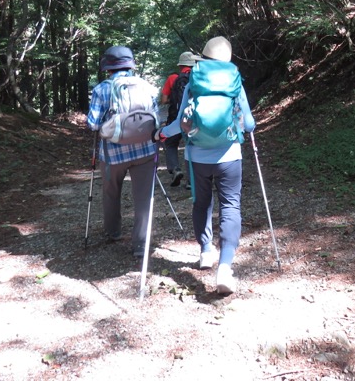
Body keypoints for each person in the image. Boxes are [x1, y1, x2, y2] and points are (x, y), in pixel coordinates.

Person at [155, 36, 255, 295]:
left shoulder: (194, 79)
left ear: (205, 57)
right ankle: (225, 267)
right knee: (231, 205)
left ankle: (205, 252)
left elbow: (180, 121)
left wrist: (162, 134)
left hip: (197, 156)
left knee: (202, 203)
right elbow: (250, 123)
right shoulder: (234, 79)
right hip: (230, 155)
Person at [87, 45, 159, 259]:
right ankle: (141, 244)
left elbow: (93, 124)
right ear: (130, 65)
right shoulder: (147, 86)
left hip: (113, 155)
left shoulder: (102, 90)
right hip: (145, 151)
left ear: (108, 67)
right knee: (144, 198)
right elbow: (156, 118)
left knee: (111, 193)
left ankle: (113, 232)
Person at [159, 51, 202, 188]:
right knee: (192, 146)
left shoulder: (173, 78)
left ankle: (175, 169)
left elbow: (164, 100)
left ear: (180, 65)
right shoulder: (200, 76)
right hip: (195, 117)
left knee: (171, 144)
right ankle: (192, 181)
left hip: (176, 117)